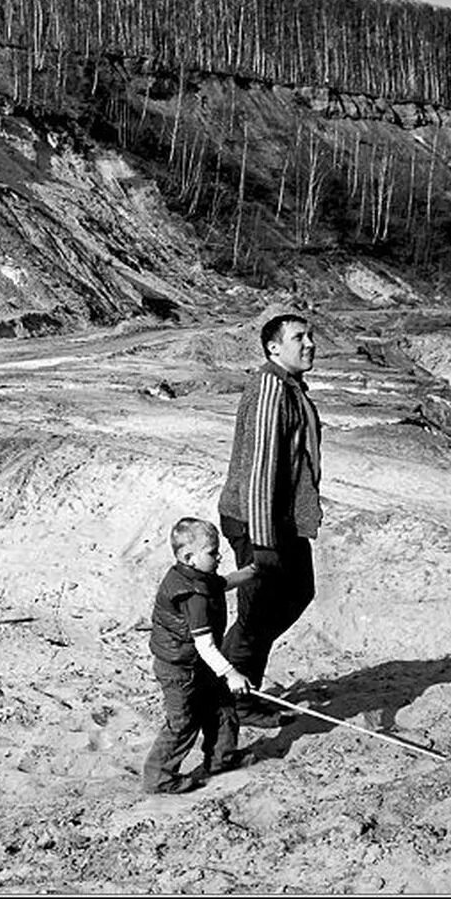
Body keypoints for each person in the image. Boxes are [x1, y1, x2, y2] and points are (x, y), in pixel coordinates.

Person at [218, 313, 321, 726]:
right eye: (299, 337)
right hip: (254, 520)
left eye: (311, 336)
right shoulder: (269, 386)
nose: (310, 343)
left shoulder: (291, 387)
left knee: (297, 592)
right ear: (273, 347)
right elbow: (259, 468)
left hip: (281, 521)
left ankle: (231, 675)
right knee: (258, 611)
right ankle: (236, 697)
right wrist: (263, 543)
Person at [143, 517, 255, 794]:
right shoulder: (192, 594)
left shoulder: (196, 577)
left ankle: (221, 759)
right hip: (179, 669)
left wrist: (253, 572)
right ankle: (159, 778)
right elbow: (205, 644)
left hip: (198, 664)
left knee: (222, 706)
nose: (219, 556)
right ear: (189, 557)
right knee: (183, 721)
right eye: (212, 552)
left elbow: (223, 583)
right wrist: (231, 673)